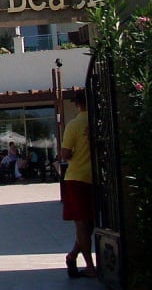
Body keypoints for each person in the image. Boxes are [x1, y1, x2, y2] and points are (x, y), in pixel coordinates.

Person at [60, 91, 97, 278]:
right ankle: (74, 256)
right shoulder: (100, 122)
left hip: (76, 177)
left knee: (81, 223)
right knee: (90, 223)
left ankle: (89, 265)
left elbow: (65, 154)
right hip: (95, 177)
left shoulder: (74, 124)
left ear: (78, 104)